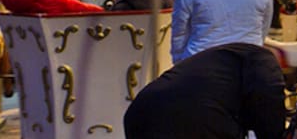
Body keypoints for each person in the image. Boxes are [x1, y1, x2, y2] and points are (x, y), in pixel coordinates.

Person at [122, 42, 285, 139]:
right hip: (189, 119)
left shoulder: (232, 56)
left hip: (140, 112)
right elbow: (269, 108)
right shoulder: (266, 61)